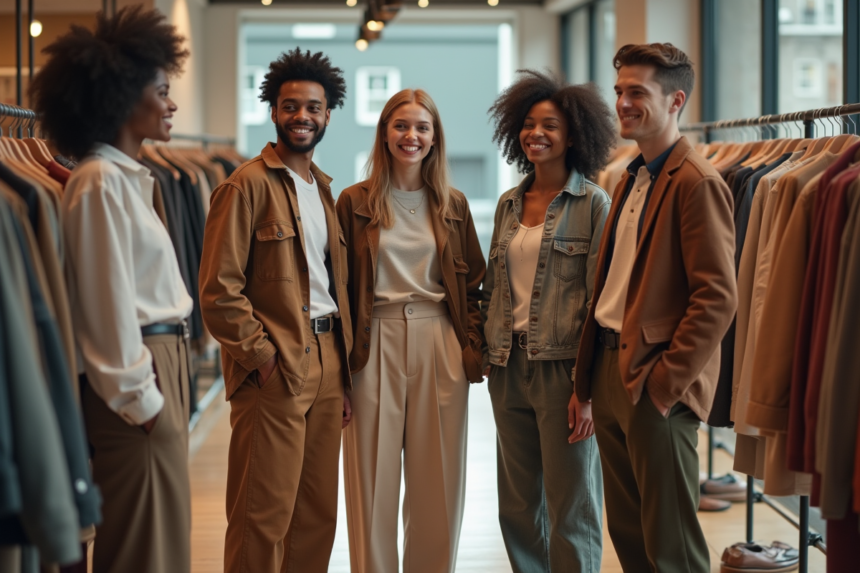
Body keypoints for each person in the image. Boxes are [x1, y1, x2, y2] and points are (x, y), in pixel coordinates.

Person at [29, 7, 193, 572]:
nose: (172, 105)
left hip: (157, 370)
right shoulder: (99, 182)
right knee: (142, 549)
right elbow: (104, 305)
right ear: (125, 96)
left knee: (160, 543)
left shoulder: (123, 178)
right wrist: (142, 402)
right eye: (163, 90)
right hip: (138, 381)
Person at [574, 43, 737, 573]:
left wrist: (665, 386)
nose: (622, 102)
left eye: (637, 92)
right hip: (609, 368)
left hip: (652, 383)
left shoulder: (697, 182)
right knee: (628, 531)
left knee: (672, 545)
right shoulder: (633, 176)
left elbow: (717, 297)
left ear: (675, 101)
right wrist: (588, 381)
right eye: (620, 91)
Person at [198, 48, 353, 573]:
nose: (302, 117)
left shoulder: (324, 190)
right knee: (262, 514)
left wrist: (343, 372)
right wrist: (261, 356)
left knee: (316, 513)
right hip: (277, 366)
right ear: (273, 111)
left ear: (329, 113)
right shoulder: (244, 186)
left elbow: (332, 282)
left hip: (329, 359)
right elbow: (218, 291)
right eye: (290, 106)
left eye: (313, 107)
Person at [336, 88, 486, 573]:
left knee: (438, 483)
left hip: (438, 340)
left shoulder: (453, 204)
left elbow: (476, 286)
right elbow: (338, 288)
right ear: (384, 133)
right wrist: (339, 371)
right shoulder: (353, 202)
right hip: (370, 343)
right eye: (401, 126)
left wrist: (472, 348)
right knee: (370, 484)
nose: (412, 136)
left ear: (435, 138)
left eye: (422, 127)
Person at [482, 71, 615, 573]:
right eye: (529, 125)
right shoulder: (508, 204)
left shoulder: (594, 203)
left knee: (572, 502)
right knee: (517, 503)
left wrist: (587, 388)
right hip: (508, 366)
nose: (536, 134)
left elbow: (601, 301)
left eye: (551, 126)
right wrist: (488, 354)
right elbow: (494, 287)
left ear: (574, 135)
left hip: (564, 370)